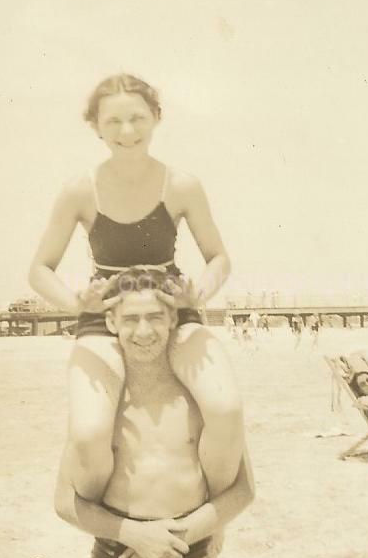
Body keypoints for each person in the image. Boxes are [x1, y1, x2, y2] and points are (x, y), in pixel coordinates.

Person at [29, 73, 245, 506]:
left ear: (156, 118)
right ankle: (108, 529)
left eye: (137, 118)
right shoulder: (79, 190)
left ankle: (210, 520)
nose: (126, 131)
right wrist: (76, 303)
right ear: (95, 127)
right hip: (103, 317)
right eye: (113, 122)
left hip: (171, 310)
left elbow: (218, 257)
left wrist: (196, 296)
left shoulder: (182, 185)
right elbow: (38, 269)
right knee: (89, 435)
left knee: (225, 411)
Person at [54, 279, 255, 558]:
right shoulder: (101, 397)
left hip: (188, 553)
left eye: (154, 318)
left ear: (173, 321)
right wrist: (134, 536)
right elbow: (63, 500)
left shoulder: (201, 392)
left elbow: (244, 489)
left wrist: (168, 543)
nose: (143, 331)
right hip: (118, 554)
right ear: (111, 321)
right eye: (131, 319)